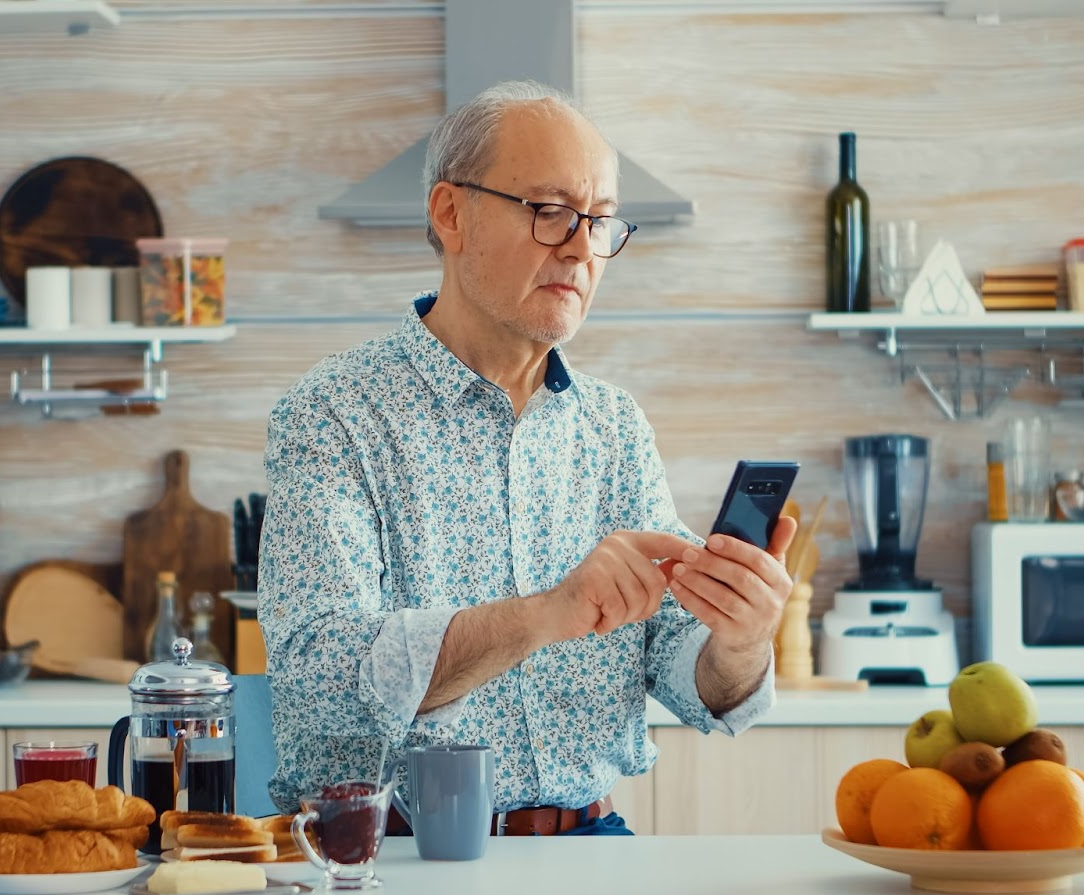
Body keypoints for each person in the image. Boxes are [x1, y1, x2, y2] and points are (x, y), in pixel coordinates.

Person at [258, 80, 796, 835]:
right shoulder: (334, 416)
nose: (581, 248)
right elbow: (318, 676)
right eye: (550, 212)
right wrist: (548, 614)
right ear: (452, 214)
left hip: (592, 846)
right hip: (392, 860)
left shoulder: (613, 426)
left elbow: (686, 669)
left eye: (601, 222)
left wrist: (739, 639)